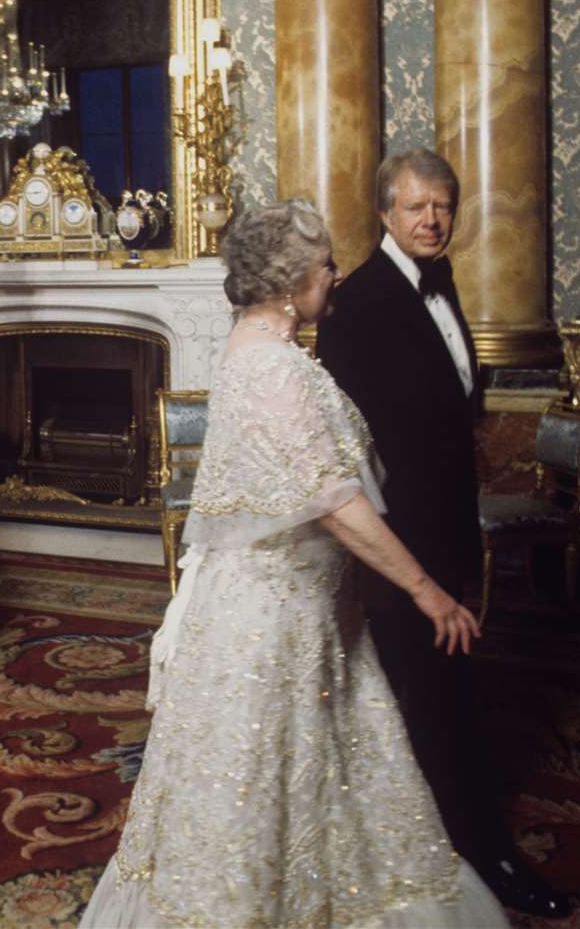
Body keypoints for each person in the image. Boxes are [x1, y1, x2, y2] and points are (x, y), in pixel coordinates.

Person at [80, 201, 503, 927]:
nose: (336, 275)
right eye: (327, 264)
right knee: (264, 786)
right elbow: (335, 503)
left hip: (300, 609)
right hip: (272, 624)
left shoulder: (259, 348)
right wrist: (427, 591)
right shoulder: (275, 369)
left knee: (313, 780)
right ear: (292, 282)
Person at [316, 149, 568, 918]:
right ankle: (478, 851)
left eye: (443, 207)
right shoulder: (355, 304)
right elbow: (351, 449)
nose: (431, 220)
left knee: (444, 689)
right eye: (417, 207)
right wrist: (402, 564)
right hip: (395, 542)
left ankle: (452, 830)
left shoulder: (443, 280)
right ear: (385, 214)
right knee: (432, 700)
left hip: (447, 527)